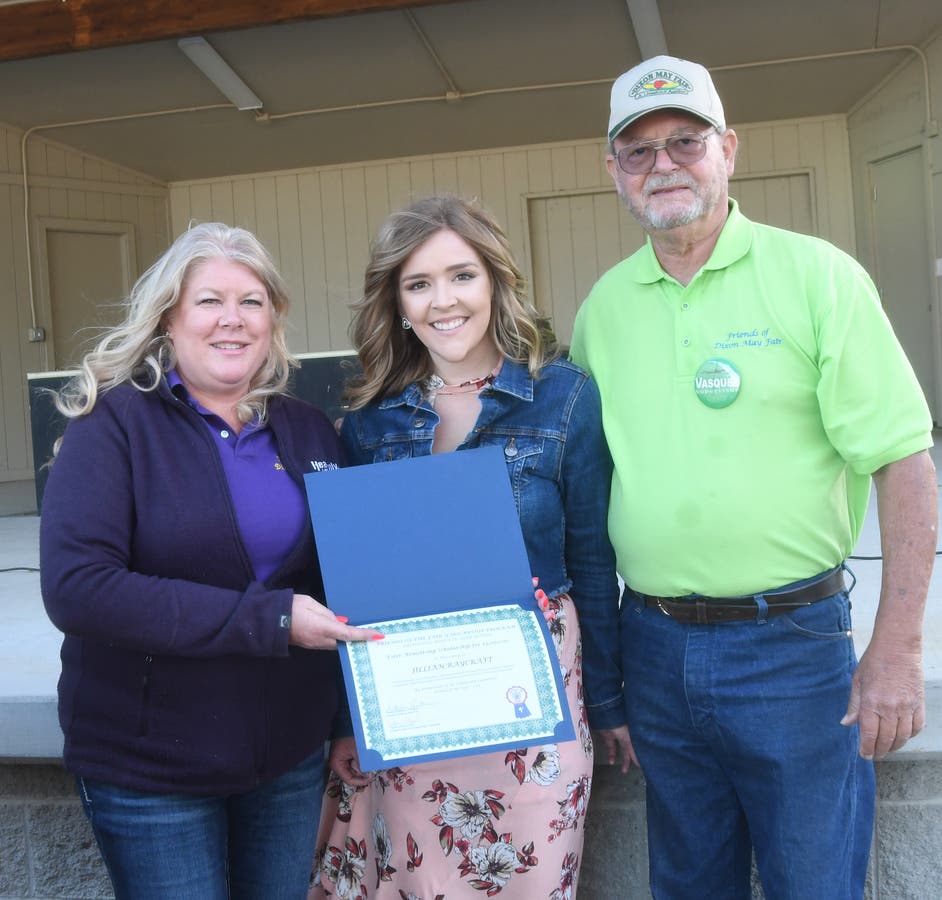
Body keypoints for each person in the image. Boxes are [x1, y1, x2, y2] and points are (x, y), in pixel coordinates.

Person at [569, 55, 938, 899]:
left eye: (686, 141)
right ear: (614, 172)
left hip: (793, 647)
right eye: (639, 149)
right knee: (688, 882)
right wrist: (611, 680)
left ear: (729, 149)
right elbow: (583, 492)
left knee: (814, 882)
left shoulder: (817, 278)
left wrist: (896, 648)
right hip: (653, 644)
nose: (663, 163)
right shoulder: (604, 310)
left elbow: (905, 464)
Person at [40, 222, 380, 900]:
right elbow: (79, 589)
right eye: (209, 301)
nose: (233, 319)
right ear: (169, 316)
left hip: (284, 757)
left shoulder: (306, 428)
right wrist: (271, 619)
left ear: (274, 318)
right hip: (151, 766)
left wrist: (347, 722)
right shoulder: (112, 425)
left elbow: (339, 582)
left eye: (252, 301)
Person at [310, 195, 632, 898]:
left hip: (532, 701)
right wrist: (347, 722)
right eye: (418, 284)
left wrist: (608, 705)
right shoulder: (368, 421)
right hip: (412, 701)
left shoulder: (566, 397)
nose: (442, 301)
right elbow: (350, 586)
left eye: (461, 276)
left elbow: (592, 562)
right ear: (395, 303)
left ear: (496, 282)